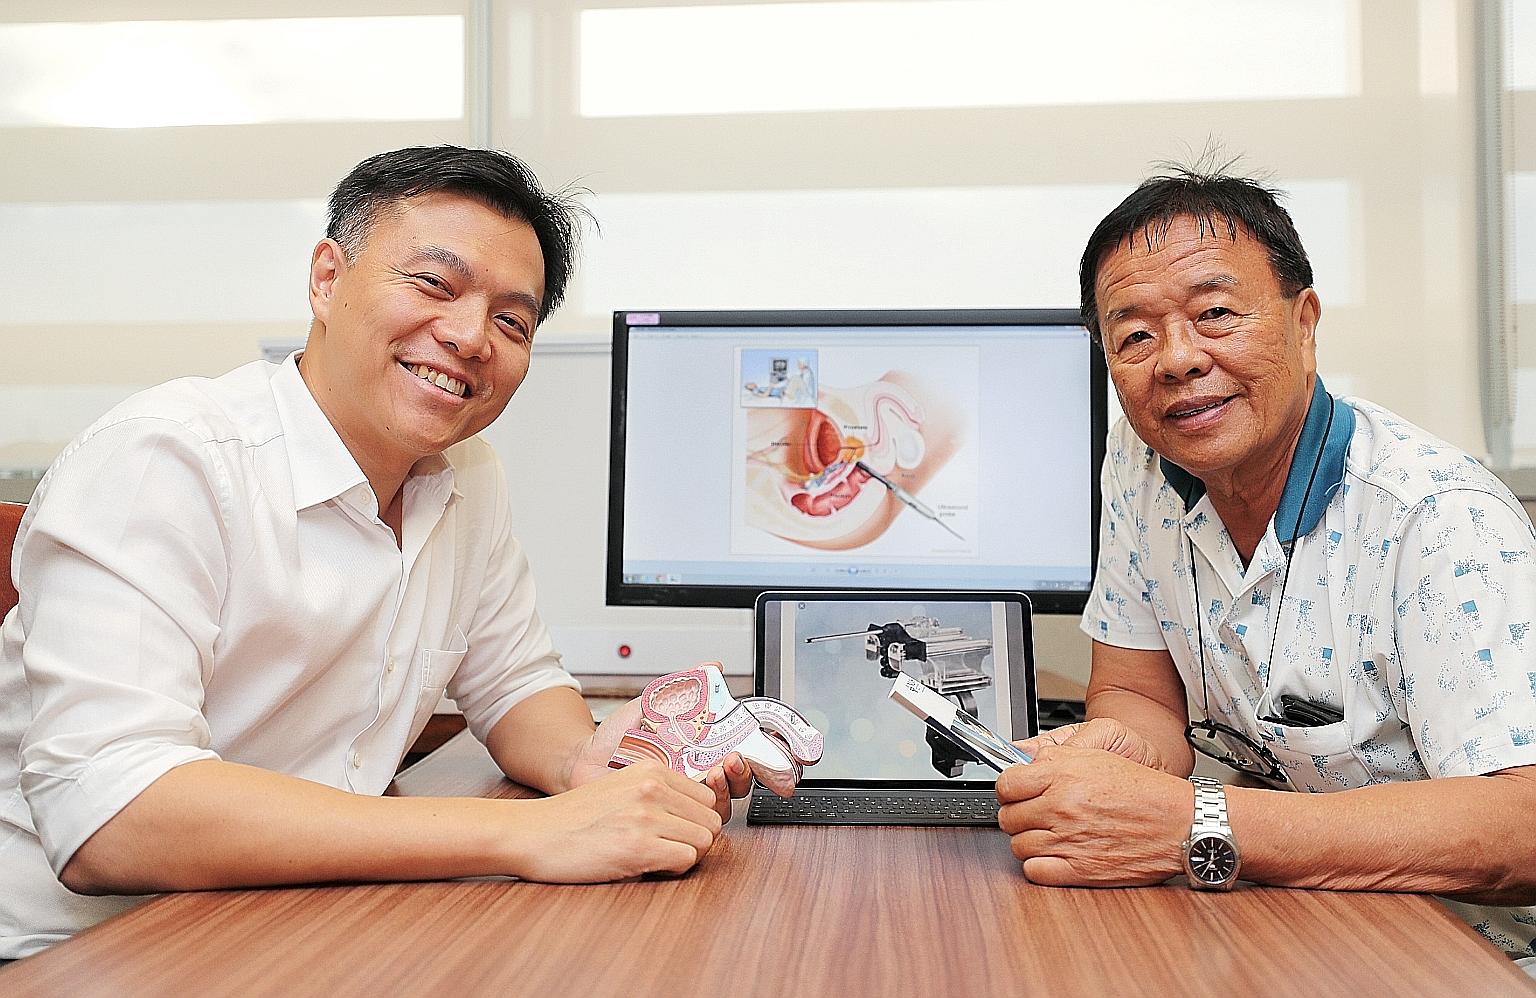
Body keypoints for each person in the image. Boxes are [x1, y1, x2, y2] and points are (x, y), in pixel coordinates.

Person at [0, 145, 750, 959]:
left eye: (512, 321)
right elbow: (108, 814)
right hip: (83, 952)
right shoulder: (164, 460)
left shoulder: (469, 476)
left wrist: (583, 761)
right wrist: (524, 833)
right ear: (326, 278)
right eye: (434, 284)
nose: (469, 337)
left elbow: (515, 683)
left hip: (293, 925)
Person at [996, 165, 1536, 969]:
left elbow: (1521, 826)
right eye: (1135, 336)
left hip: (1454, 948)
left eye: (1215, 313)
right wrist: (1119, 755)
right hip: (1265, 916)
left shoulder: (1440, 520)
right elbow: (1141, 692)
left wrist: (1191, 822)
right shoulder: (1140, 466)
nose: (1176, 360)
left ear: (1304, 321)